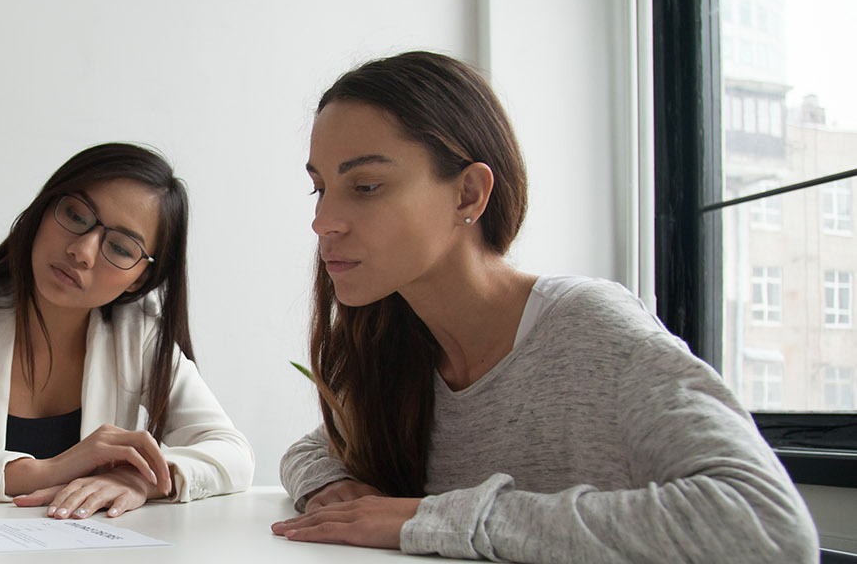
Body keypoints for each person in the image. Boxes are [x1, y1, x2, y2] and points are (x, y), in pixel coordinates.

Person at [270, 51, 818, 562]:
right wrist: (330, 485)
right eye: (319, 189)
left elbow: (768, 527)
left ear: (468, 194)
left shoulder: (589, 331)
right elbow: (312, 449)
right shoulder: (400, 345)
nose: (324, 222)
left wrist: (433, 518)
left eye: (365, 186)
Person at [0, 143, 253, 519]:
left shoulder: (139, 337)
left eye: (121, 247)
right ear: (44, 208)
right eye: (75, 214)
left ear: (141, 279)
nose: (82, 251)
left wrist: (143, 479)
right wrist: (41, 472)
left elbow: (234, 455)